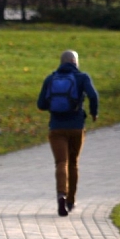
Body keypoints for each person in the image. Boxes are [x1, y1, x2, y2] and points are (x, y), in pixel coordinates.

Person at [37, 49, 99, 216]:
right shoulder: (82, 77)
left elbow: (41, 104)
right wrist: (94, 113)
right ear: (74, 61)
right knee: (73, 163)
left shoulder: (50, 79)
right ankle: (71, 200)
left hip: (56, 127)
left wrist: (55, 105)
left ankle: (61, 196)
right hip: (77, 127)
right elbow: (93, 96)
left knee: (60, 163)